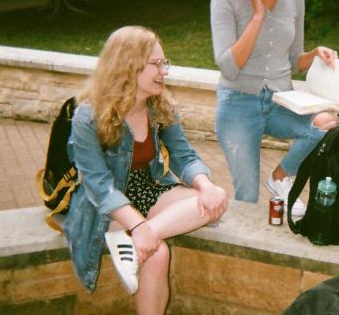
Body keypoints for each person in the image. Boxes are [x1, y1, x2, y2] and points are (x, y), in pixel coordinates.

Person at [64, 26, 228, 314]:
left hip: (147, 186)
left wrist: (205, 185)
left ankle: (136, 240)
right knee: (157, 253)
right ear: (127, 65)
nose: (164, 71)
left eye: (164, 63)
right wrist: (135, 224)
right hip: (106, 203)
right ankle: (137, 237)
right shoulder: (88, 116)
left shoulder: (159, 105)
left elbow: (183, 155)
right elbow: (99, 186)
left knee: (214, 196)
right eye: (156, 64)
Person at [210, 0, 338, 214]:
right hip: (238, 104)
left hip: (282, 100)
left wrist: (316, 54)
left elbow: (294, 60)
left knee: (327, 125)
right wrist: (257, 15)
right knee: (246, 199)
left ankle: (280, 177)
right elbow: (229, 66)